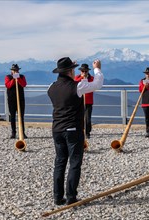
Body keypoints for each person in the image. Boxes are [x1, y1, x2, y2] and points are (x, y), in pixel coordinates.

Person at [48, 57, 103, 206]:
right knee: (74, 163)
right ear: (71, 71)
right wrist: (97, 68)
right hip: (73, 129)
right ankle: (71, 196)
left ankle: (58, 197)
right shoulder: (77, 86)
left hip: (57, 129)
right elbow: (98, 84)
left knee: (59, 162)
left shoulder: (51, 87)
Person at [4, 64, 27, 139]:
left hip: (20, 99)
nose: (15, 71)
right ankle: (13, 133)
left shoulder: (22, 76)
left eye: (16, 70)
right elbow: (8, 85)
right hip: (11, 99)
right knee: (12, 116)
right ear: (11, 71)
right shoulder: (8, 77)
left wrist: (18, 79)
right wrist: (14, 79)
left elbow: (24, 84)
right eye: (14, 70)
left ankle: (22, 132)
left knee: (21, 116)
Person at [74, 64, 94, 139]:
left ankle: (87, 132)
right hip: (79, 101)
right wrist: (82, 78)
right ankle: (80, 131)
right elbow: (75, 83)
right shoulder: (77, 77)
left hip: (88, 102)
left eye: (86, 71)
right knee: (79, 118)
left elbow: (93, 83)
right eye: (83, 71)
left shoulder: (91, 78)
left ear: (88, 71)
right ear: (80, 71)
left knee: (88, 119)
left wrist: (86, 78)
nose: (84, 72)